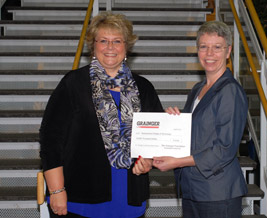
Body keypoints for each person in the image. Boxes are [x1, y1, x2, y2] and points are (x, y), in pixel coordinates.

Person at [39, 11, 163, 218]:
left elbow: (155, 137)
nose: (110, 47)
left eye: (117, 41)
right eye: (103, 40)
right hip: (79, 199)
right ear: (93, 45)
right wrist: (57, 190)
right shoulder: (74, 84)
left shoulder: (144, 87)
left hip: (129, 198)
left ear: (127, 46)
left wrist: (149, 159)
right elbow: (50, 140)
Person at [153, 20, 248, 218]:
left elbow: (224, 150)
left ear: (228, 51)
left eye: (217, 47)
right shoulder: (198, 89)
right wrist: (174, 121)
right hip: (194, 189)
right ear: (197, 51)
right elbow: (194, 134)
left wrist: (177, 162)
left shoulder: (230, 91)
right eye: (204, 47)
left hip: (217, 193)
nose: (209, 54)